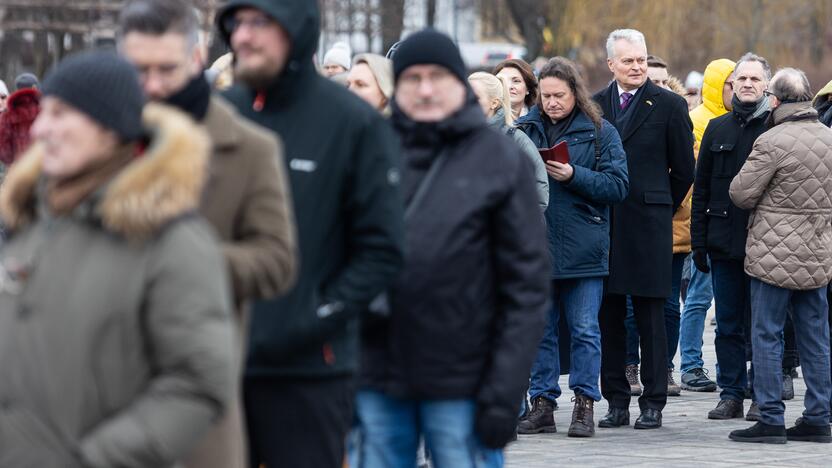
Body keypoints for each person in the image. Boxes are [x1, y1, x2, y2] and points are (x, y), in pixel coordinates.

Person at [0, 50, 235, 467]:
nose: (39, 128)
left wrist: (96, 460)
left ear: (109, 130)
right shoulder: (30, 221)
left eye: (60, 114)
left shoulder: (172, 240)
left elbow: (197, 383)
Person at [215, 1, 405, 467]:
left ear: (297, 27)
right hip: (218, 365)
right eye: (237, 23)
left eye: (261, 22)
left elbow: (382, 250)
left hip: (309, 373)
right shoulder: (220, 114)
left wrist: (315, 315)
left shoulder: (351, 122)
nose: (243, 36)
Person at [354, 28, 549, 467]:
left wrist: (504, 390)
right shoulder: (369, 154)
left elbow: (525, 286)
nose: (425, 89)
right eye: (412, 78)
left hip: (465, 377)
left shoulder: (500, 161)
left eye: (437, 76)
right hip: (378, 373)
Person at [117, 1, 299, 467]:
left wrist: (185, 260)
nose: (153, 85)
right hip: (94, 396)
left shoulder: (251, 148)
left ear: (197, 58)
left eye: (166, 69)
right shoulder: (95, 141)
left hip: (199, 399)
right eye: (139, 70)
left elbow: (277, 261)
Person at [513, 57, 629, 438]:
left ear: (575, 93)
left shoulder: (599, 131)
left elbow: (618, 186)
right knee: (540, 330)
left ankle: (584, 404)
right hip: (536, 245)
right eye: (545, 96)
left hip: (584, 246)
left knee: (584, 330)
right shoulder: (525, 129)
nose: (551, 103)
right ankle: (542, 403)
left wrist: (574, 175)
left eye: (559, 95)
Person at [593, 28, 695, 430]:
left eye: (642, 59)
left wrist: (659, 203)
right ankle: (616, 399)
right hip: (606, 223)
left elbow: (684, 169)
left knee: (652, 313)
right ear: (611, 65)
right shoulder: (596, 105)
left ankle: (653, 400)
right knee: (610, 314)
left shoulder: (669, 104)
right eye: (629, 61)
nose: (637, 67)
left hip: (651, 223)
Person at [728, 67, 832, 444]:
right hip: (818, 252)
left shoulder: (772, 141)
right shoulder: (829, 137)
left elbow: (741, 193)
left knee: (767, 334)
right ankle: (819, 417)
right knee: (816, 337)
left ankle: (770, 417)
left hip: (774, 256)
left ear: (774, 100)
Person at [690, 53, 772, 421]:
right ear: (732, 85)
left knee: (763, 325)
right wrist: (699, 244)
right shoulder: (717, 129)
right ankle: (731, 393)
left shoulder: (775, 128)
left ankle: (762, 393)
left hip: (768, 244)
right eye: (742, 79)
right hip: (723, 243)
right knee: (727, 324)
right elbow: (702, 189)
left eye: (755, 79)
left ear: (767, 85)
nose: (748, 84)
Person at [678, 58, 735, 394]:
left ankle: (723, 366)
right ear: (717, 86)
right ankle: (690, 364)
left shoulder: (739, 121)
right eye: (730, 83)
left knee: (724, 300)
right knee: (698, 297)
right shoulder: (698, 121)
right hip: (705, 222)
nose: (736, 89)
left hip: (732, 223)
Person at [468, 71, 549, 209]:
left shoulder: (516, 140)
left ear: (494, 103)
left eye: (474, 98)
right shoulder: (456, 136)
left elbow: (539, 193)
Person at [0, 83, 40, 168]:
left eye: (3, 97)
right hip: (42, 170)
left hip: (17, 170)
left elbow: (5, 152)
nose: (0, 101)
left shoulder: (8, 116)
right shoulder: (46, 112)